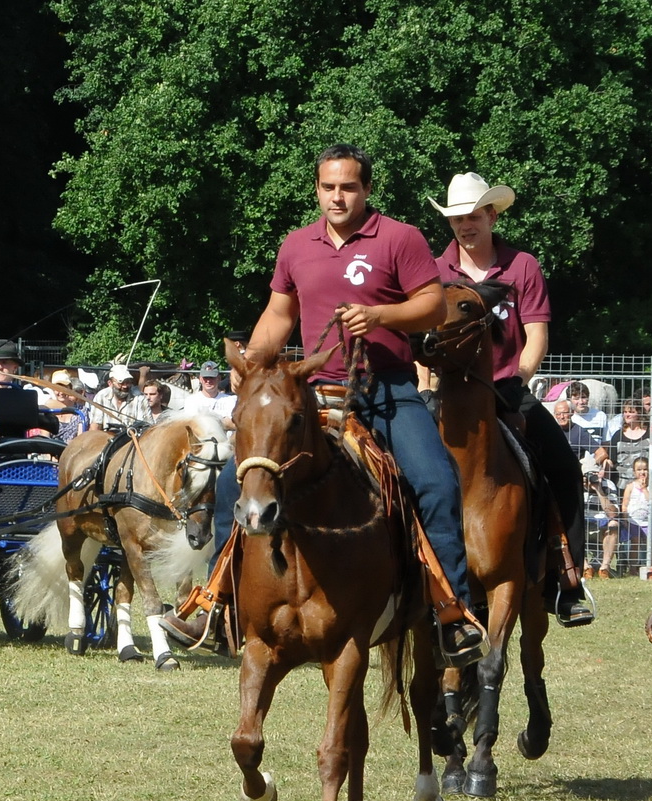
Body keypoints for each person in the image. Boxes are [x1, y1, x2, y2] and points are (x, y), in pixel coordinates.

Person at [165, 143, 484, 665]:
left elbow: (431, 306)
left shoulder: (399, 238)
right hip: (313, 397)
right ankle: (217, 603)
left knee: (435, 481)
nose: (338, 196)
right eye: (328, 187)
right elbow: (278, 313)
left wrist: (380, 316)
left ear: (367, 189)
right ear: (317, 189)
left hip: (389, 391)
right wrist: (253, 360)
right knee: (231, 483)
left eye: (349, 187)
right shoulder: (296, 245)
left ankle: (450, 612)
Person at [423, 171, 593, 625]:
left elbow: (536, 335)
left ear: (492, 214)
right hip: (446, 394)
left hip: (507, 388)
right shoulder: (434, 272)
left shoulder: (523, 266)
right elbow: (419, 338)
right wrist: (424, 385)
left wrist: (518, 376)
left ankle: (565, 580)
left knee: (563, 466)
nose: (465, 225)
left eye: (474, 215)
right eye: (457, 218)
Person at [182, 361, 236, 432]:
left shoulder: (231, 400)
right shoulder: (191, 401)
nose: (208, 381)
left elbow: (235, 425)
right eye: (205, 378)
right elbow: (191, 426)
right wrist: (222, 422)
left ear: (219, 379)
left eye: (212, 377)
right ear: (200, 379)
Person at [88, 363, 138, 429]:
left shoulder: (139, 398)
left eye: (128, 382)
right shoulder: (101, 396)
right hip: (106, 437)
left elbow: (146, 427)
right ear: (110, 383)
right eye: (121, 383)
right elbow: (95, 427)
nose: (125, 386)